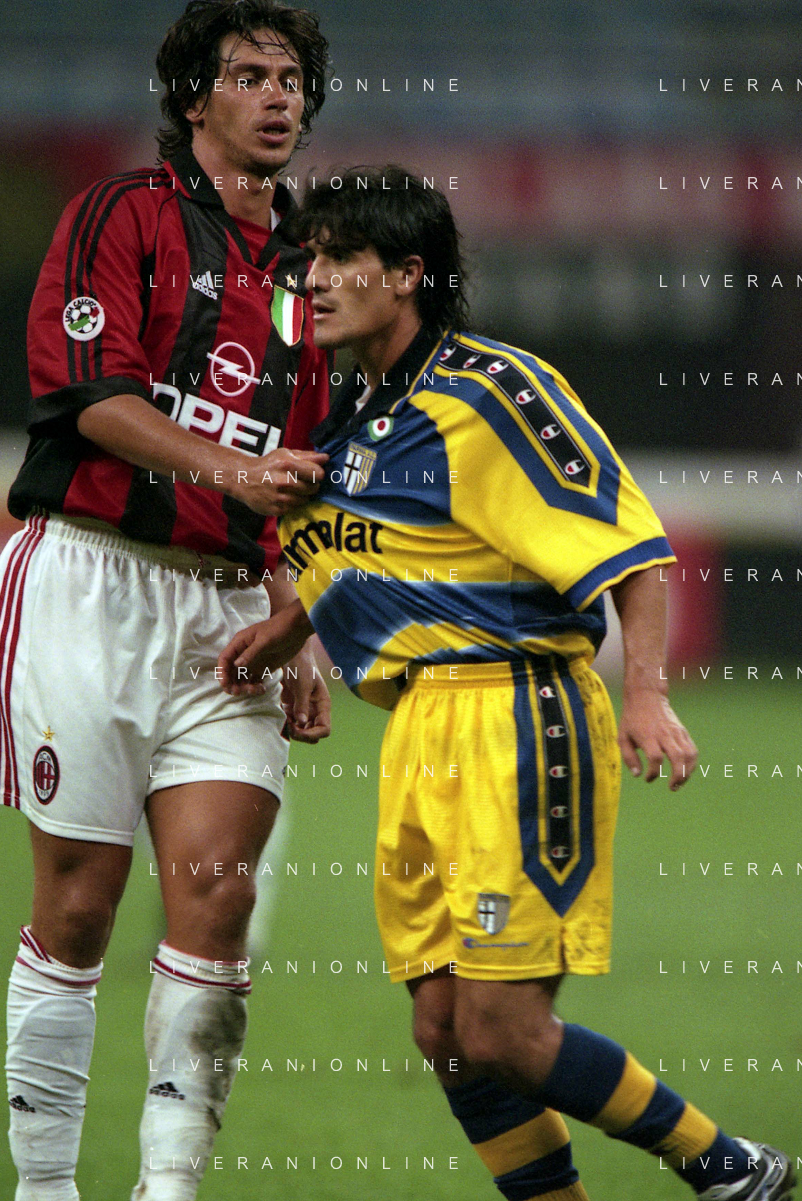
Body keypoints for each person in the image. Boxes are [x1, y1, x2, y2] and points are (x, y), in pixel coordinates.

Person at [218, 167, 795, 1201]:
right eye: (307, 260)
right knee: (443, 1032)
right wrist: (289, 626)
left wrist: (647, 693)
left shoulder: (493, 392)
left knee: (502, 1031)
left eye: (341, 257)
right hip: (417, 730)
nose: (314, 279)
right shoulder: (351, 414)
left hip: (517, 716)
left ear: (407, 274)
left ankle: (729, 1167)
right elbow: (385, 547)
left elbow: (633, 546)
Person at [0, 3, 333, 1199]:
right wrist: (229, 470)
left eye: (291, 78)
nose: (276, 95)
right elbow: (91, 398)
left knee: (218, 901)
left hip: (227, 610)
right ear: (192, 97)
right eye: (249, 74)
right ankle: (45, 1187)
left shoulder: (309, 269)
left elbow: (298, 460)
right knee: (78, 908)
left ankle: (166, 1190)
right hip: (91, 581)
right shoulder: (121, 213)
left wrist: (295, 613)